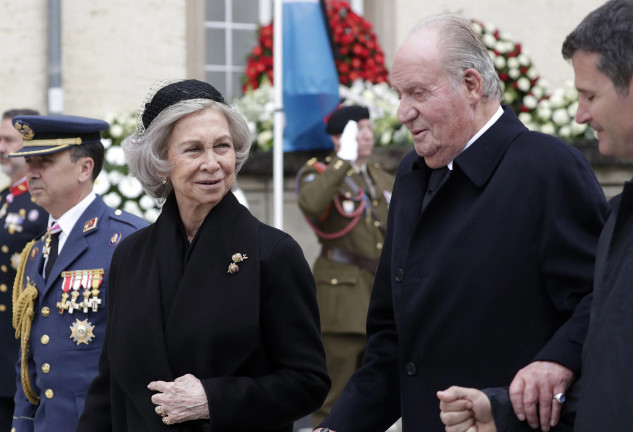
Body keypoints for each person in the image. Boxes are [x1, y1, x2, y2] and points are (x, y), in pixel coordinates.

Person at [314, 13, 609, 432]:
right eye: (400, 94)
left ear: (471, 86)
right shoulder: (411, 174)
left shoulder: (548, 169)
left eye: (417, 93)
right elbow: (392, 344)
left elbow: (603, 301)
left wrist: (556, 361)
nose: (401, 112)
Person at [76, 79, 330, 432]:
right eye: (194, 149)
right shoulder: (130, 256)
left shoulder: (272, 254)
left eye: (222, 147)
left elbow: (308, 382)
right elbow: (110, 387)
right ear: (161, 160)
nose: (212, 163)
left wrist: (214, 399)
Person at [438, 1, 633, 431]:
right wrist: (504, 412)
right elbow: (614, 381)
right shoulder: (623, 218)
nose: (581, 114)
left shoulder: (553, 167)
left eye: (590, 95)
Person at [10, 114, 149, 432]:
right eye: (29, 162)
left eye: (44, 161)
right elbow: (28, 357)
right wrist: (22, 423)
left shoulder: (127, 240)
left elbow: (143, 351)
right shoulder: (38, 249)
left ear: (85, 168)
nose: (31, 173)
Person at [296, 105, 394, 427]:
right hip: (342, 300)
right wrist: (342, 160)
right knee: (333, 396)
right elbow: (311, 204)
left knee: (374, 397)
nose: (366, 134)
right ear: (338, 137)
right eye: (358, 129)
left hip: (378, 295)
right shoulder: (321, 172)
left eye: (367, 128)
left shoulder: (380, 175)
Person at [0, 108, 48, 430]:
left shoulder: (42, 203)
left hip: (18, 343)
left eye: (8, 139)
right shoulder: (6, 198)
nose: (1, 147)